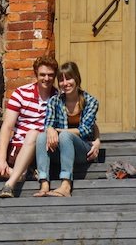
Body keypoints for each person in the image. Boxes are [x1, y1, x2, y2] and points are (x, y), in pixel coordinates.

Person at [0, 55, 59, 198]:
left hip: (40, 150)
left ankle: (10, 183)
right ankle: (20, 174)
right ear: (36, 74)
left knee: (34, 133)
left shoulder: (58, 97)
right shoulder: (21, 93)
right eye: (42, 75)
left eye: (50, 75)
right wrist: (1, 159)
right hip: (16, 147)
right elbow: (7, 126)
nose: (46, 79)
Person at [33, 61, 100, 198]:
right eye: (61, 80)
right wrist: (50, 129)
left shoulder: (90, 101)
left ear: (77, 79)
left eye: (68, 78)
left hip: (83, 150)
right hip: (61, 151)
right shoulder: (54, 101)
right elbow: (49, 124)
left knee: (64, 136)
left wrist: (56, 131)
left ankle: (66, 185)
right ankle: (44, 184)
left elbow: (86, 130)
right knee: (41, 136)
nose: (65, 83)